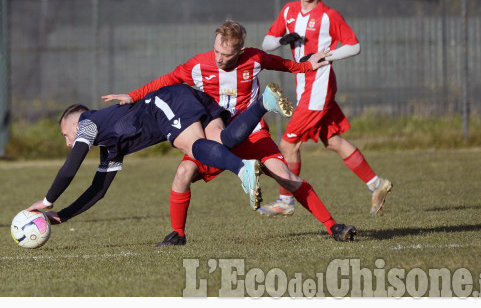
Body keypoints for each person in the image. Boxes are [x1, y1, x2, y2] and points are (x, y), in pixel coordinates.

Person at [103, 20, 357, 245]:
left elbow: (286, 65)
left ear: (240, 51)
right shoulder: (198, 65)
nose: (219, 58)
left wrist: (308, 65)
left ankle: (333, 227)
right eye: (216, 51)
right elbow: (168, 80)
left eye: (226, 54)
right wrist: (133, 95)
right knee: (182, 174)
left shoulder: (255, 58)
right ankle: (177, 234)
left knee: (286, 176)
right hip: (215, 136)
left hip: (253, 134)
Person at [27, 82, 292, 225]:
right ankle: (263, 104)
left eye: (65, 135)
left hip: (165, 102)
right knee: (224, 140)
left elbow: (71, 167)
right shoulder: (110, 146)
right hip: (182, 98)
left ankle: (243, 170)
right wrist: (63, 215)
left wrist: (48, 200)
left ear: (74, 124)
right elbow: (98, 189)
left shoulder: (86, 122)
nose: (67, 143)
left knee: (193, 147)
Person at [260, 0, 393, 217]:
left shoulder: (329, 16)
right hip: (306, 89)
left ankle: (286, 200)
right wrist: (282, 41)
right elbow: (267, 43)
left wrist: (326, 56)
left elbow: (354, 46)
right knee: (333, 142)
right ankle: (377, 184)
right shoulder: (288, 11)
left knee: (287, 144)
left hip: (318, 90)